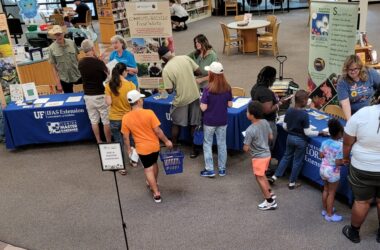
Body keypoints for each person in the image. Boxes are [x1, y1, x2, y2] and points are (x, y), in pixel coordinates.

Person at [341, 88, 380, 243]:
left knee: (362, 201)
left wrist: (345, 158)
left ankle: (354, 233)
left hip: (362, 167)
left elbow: (347, 142)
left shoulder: (363, 113)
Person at [268, 90, 327, 189]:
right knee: (297, 161)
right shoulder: (304, 115)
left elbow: (285, 126)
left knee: (286, 157)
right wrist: (320, 132)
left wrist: (292, 130)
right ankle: (292, 183)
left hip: (290, 138)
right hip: (300, 141)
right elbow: (308, 133)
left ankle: (274, 176)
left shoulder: (289, 110)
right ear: (303, 101)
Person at [121, 90, 173, 203]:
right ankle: (153, 182)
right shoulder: (149, 113)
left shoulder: (126, 118)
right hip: (154, 146)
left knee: (148, 169)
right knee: (154, 164)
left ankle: (156, 193)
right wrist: (167, 141)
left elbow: (125, 137)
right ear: (139, 101)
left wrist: (129, 149)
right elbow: (158, 131)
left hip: (142, 149)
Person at [158, 46, 202, 158]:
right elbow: (198, 71)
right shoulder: (185, 58)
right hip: (195, 96)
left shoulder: (166, 69)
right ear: (171, 52)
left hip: (181, 100)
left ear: (162, 58)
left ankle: (174, 148)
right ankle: (194, 150)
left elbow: (169, 90)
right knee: (194, 124)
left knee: (176, 124)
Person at [199, 62, 232, 177]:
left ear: (212, 73)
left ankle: (210, 169)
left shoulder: (207, 89)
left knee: (207, 144)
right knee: (222, 144)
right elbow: (230, 105)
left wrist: (200, 102)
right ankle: (222, 169)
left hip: (209, 121)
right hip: (222, 121)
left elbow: (203, 108)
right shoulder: (227, 87)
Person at [243, 101, 276, 210]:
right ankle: (270, 192)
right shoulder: (265, 122)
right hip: (267, 154)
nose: (246, 113)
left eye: (247, 111)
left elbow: (245, 148)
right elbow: (271, 137)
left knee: (259, 178)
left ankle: (269, 201)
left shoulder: (249, 130)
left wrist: (248, 145)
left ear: (251, 115)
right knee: (263, 175)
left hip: (258, 158)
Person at [105, 62, 136, 174]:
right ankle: (133, 160)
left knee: (118, 142)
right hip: (128, 118)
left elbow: (108, 102)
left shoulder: (109, 85)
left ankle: (121, 166)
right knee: (131, 139)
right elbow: (134, 103)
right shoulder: (131, 85)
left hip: (114, 118)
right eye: (127, 71)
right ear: (123, 72)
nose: (128, 72)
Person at [78, 39, 111, 143]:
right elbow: (108, 74)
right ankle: (109, 142)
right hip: (100, 94)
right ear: (93, 48)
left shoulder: (81, 63)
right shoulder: (98, 62)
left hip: (88, 96)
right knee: (105, 121)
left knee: (94, 121)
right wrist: (99, 60)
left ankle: (98, 141)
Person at [250, 66, 289, 152]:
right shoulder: (265, 92)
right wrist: (280, 103)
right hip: (267, 124)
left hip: (257, 122)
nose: (275, 79)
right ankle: (265, 165)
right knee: (267, 148)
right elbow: (267, 110)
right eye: (274, 77)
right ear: (270, 79)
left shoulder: (255, 87)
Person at [337, 54, 380, 120]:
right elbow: (345, 104)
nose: (353, 71)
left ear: (360, 67)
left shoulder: (370, 72)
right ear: (346, 69)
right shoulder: (342, 82)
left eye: (355, 69)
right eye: (350, 69)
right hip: (355, 115)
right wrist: (350, 122)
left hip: (373, 111)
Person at [319, 118, 344, 222]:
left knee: (325, 190)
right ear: (339, 133)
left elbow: (320, 155)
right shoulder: (340, 146)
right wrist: (345, 162)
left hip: (323, 169)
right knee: (332, 193)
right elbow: (338, 162)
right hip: (333, 172)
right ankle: (329, 215)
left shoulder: (324, 142)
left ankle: (325, 209)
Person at [48, 25, 81, 93]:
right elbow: (54, 68)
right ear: (54, 36)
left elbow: (78, 59)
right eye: (56, 35)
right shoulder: (51, 48)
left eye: (60, 34)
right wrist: (58, 83)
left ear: (63, 34)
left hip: (77, 75)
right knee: (70, 99)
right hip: (65, 79)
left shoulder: (71, 43)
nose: (59, 36)